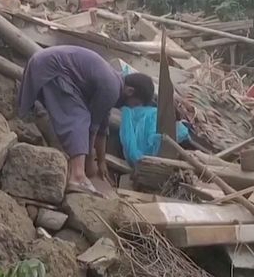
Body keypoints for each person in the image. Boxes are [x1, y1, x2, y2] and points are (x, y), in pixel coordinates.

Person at [17, 46, 154, 196]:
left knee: (78, 117)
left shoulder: (114, 84)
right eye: (135, 104)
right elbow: (91, 129)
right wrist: (89, 164)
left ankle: (74, 165)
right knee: (80, 117)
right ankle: (77, 176)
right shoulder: (111, 88)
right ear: (130, 91)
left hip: (45, 64)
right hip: (51, 69)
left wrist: (101, 162)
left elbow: (102, 128)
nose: (130, 108)